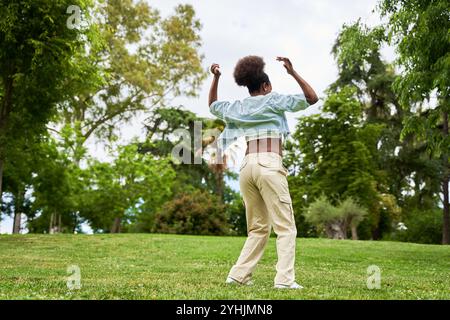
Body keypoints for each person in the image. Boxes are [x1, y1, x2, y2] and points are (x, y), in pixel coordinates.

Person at [208, 55, 318, 289]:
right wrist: (292, 73)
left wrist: (216, 78)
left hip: (247, 167)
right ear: (266, 86)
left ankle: (238, 276)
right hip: (269, 164)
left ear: (247, 87)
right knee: (286, 227)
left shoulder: (238, 108)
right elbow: (312, 98)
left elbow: (212, 106)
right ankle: (285, 281)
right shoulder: (274, 100)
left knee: (258, 228)